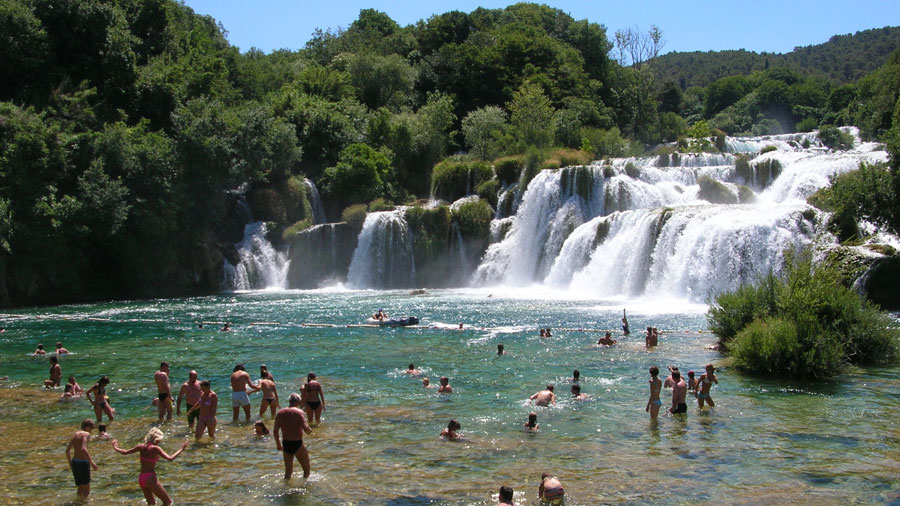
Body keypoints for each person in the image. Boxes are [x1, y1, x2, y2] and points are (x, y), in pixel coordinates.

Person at [112, 427, 188, 506]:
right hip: (150, 478)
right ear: (156, 439)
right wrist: (181, 449)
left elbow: (125, 452)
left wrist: (115, 447)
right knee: (168, 502)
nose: (159, 442)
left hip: (141, 478)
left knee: (151, 504)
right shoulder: (155, 448)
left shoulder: (141, 447)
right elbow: (170, 458)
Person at [274, 392, 313, 480]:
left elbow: (275, 431)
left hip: (286, 443)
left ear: (289, 401)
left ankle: (286, 487)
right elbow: (306, 429)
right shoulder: (299, 412)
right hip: (297, 443)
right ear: (299, 401)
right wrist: (310, 430)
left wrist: (278, 444)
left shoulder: (280, 412)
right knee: (306, 470)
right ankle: (305, 486)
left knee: (288, 473)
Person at [66, 418, 99, 500]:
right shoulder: (86, 434)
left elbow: (67, 451)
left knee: (80, 488)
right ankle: (84, 504)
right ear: (87, 427)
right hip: (83, 463)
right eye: (91, 428)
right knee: (86, 491)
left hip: (75, 462)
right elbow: (83, 448)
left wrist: (70, 463)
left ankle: (77, 502)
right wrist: (92, 462)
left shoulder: (76, 434)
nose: (91, 431)